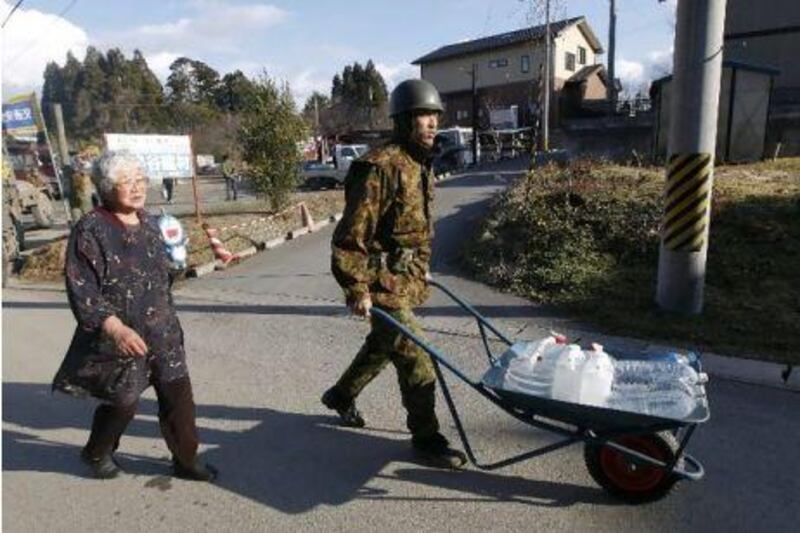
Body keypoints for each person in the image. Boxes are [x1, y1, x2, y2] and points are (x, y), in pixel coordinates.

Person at [321, 79, 467, 470]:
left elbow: (412, 228)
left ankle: (340, 394)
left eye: (435, 115)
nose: (432, 123)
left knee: (384, 346)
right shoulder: (379, 167)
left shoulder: (420, 163)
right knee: (416, 357)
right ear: (404, 120)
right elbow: (352, 236)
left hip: (405, 279)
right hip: (379, 284)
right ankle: (427, 438)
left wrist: (422, 266)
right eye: (423, 115)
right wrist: (356, 288)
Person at [52, 151, 216, 482]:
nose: (137, 187)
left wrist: (187, 263)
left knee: (178, 398)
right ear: (106, 186)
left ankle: (186, 460)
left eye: (140, 179)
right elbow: (82, 290)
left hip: (163, 331)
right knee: (122, 403)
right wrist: (116, 330)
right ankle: (97, 451)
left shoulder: (151, 223)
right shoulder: (91, 229)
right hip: (120, 336)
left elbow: (161, 275)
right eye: (126, 181)